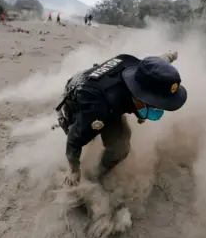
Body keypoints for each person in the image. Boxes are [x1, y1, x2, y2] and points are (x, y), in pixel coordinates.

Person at [54, 52, 187, 186]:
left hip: (103, 94)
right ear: (139, 97)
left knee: (120, 147)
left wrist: (170, 56)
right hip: (79, 100)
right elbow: (74, 140)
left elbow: (158, 66)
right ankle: (90, 179)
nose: (158, 108)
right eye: (155, 105)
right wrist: (74, 170)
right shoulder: (101, 108)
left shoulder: (142, 71)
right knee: (86, 133)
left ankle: (98, 174)